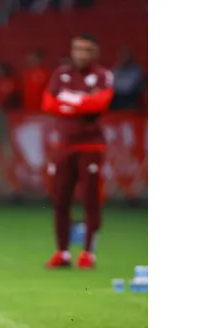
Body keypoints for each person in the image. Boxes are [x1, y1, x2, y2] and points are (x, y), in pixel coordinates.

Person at [42, 33, 114, 269]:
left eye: (86, 50)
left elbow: (100, 103)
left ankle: (88, 253)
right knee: (61, 198)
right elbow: (48, 103)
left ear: (95, 52)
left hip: (91, 146)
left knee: (91, 198)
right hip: (63, 147)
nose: (80, 54)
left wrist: (69, 102)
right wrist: (82, 102)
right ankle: (62, 252)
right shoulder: (61, 73)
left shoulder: (103, 75)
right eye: (77, 49)